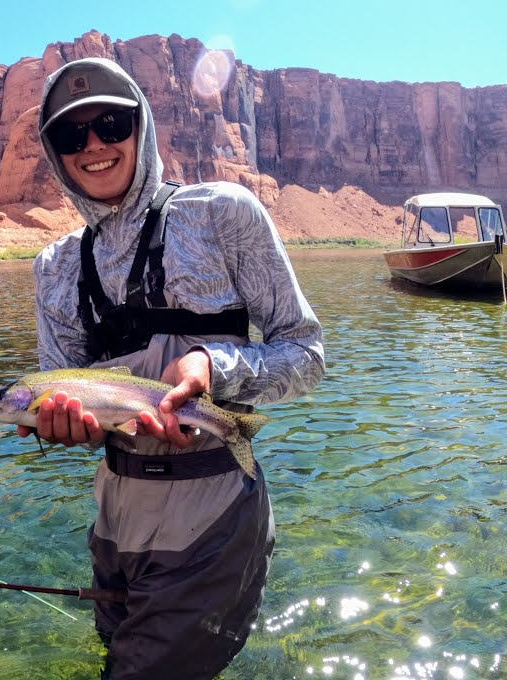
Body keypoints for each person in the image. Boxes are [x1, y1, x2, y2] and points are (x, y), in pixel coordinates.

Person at [16, 57, 325, 679]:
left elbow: (305, 354)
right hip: (116, 522)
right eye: (72, 135)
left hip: (214, 517)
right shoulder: (52, 267)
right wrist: (60, 428)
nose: (95, 145)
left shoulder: (222, 212)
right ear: (54, 152)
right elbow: (66, 391)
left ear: (143, 126)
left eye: (112, 123)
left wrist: (216, 363)